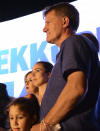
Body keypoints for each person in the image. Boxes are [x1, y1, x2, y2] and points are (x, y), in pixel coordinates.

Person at [31, 2, 99, 131]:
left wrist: (44, 125)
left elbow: (76, 88)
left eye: (48, 23)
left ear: (64, 21)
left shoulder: (73, 41)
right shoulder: (71, 47)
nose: (44, 29)